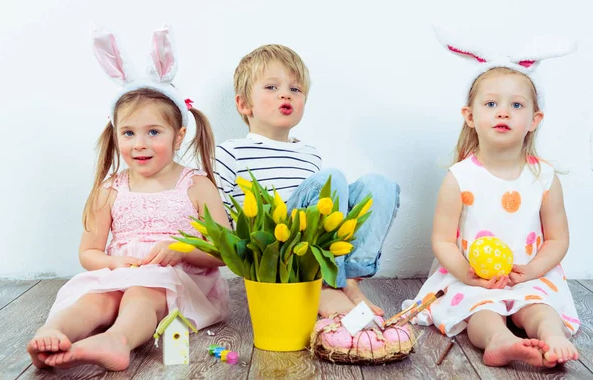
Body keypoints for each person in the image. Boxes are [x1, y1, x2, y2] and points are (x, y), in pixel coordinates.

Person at [27, 25, 229, 371]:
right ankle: (55, 331)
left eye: (153, 132)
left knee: (140, 294)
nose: (139, 143)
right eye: (129, 133)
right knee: (97, 298)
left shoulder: (195, 185)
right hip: (121, 276)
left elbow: (225, 251)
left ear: (179, 135)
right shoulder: (111, 189)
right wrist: (113, 264)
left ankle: (117, 340)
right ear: (115, 133)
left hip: (180, 284)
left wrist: (181, 249)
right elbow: (88, 251)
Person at [403, 28, 580, 367]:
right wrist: (466, 273)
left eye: (516, 105)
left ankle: (550, 334)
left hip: (529, 275)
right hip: (474, 277)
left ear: (534, 120)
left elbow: (557, 239)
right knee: (480, 310)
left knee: (539, 306)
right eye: (491, 104)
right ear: (470, 116)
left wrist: (531, 271)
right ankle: (499, 341)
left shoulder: (543, 178)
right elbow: (443, 241)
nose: (503, 112)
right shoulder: (460, 178)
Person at [214, 44, 400, 318]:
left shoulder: (310, 155)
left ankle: (348, 279)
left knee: (380, 185)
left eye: (295, 89)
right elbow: (220, 217)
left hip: (311, 243)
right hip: (276, 249)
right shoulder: (230, 152)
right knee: (331, 179)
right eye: (271, 88)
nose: (285, 94)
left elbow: (325, 218)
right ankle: (326, 283)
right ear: (244, 104)